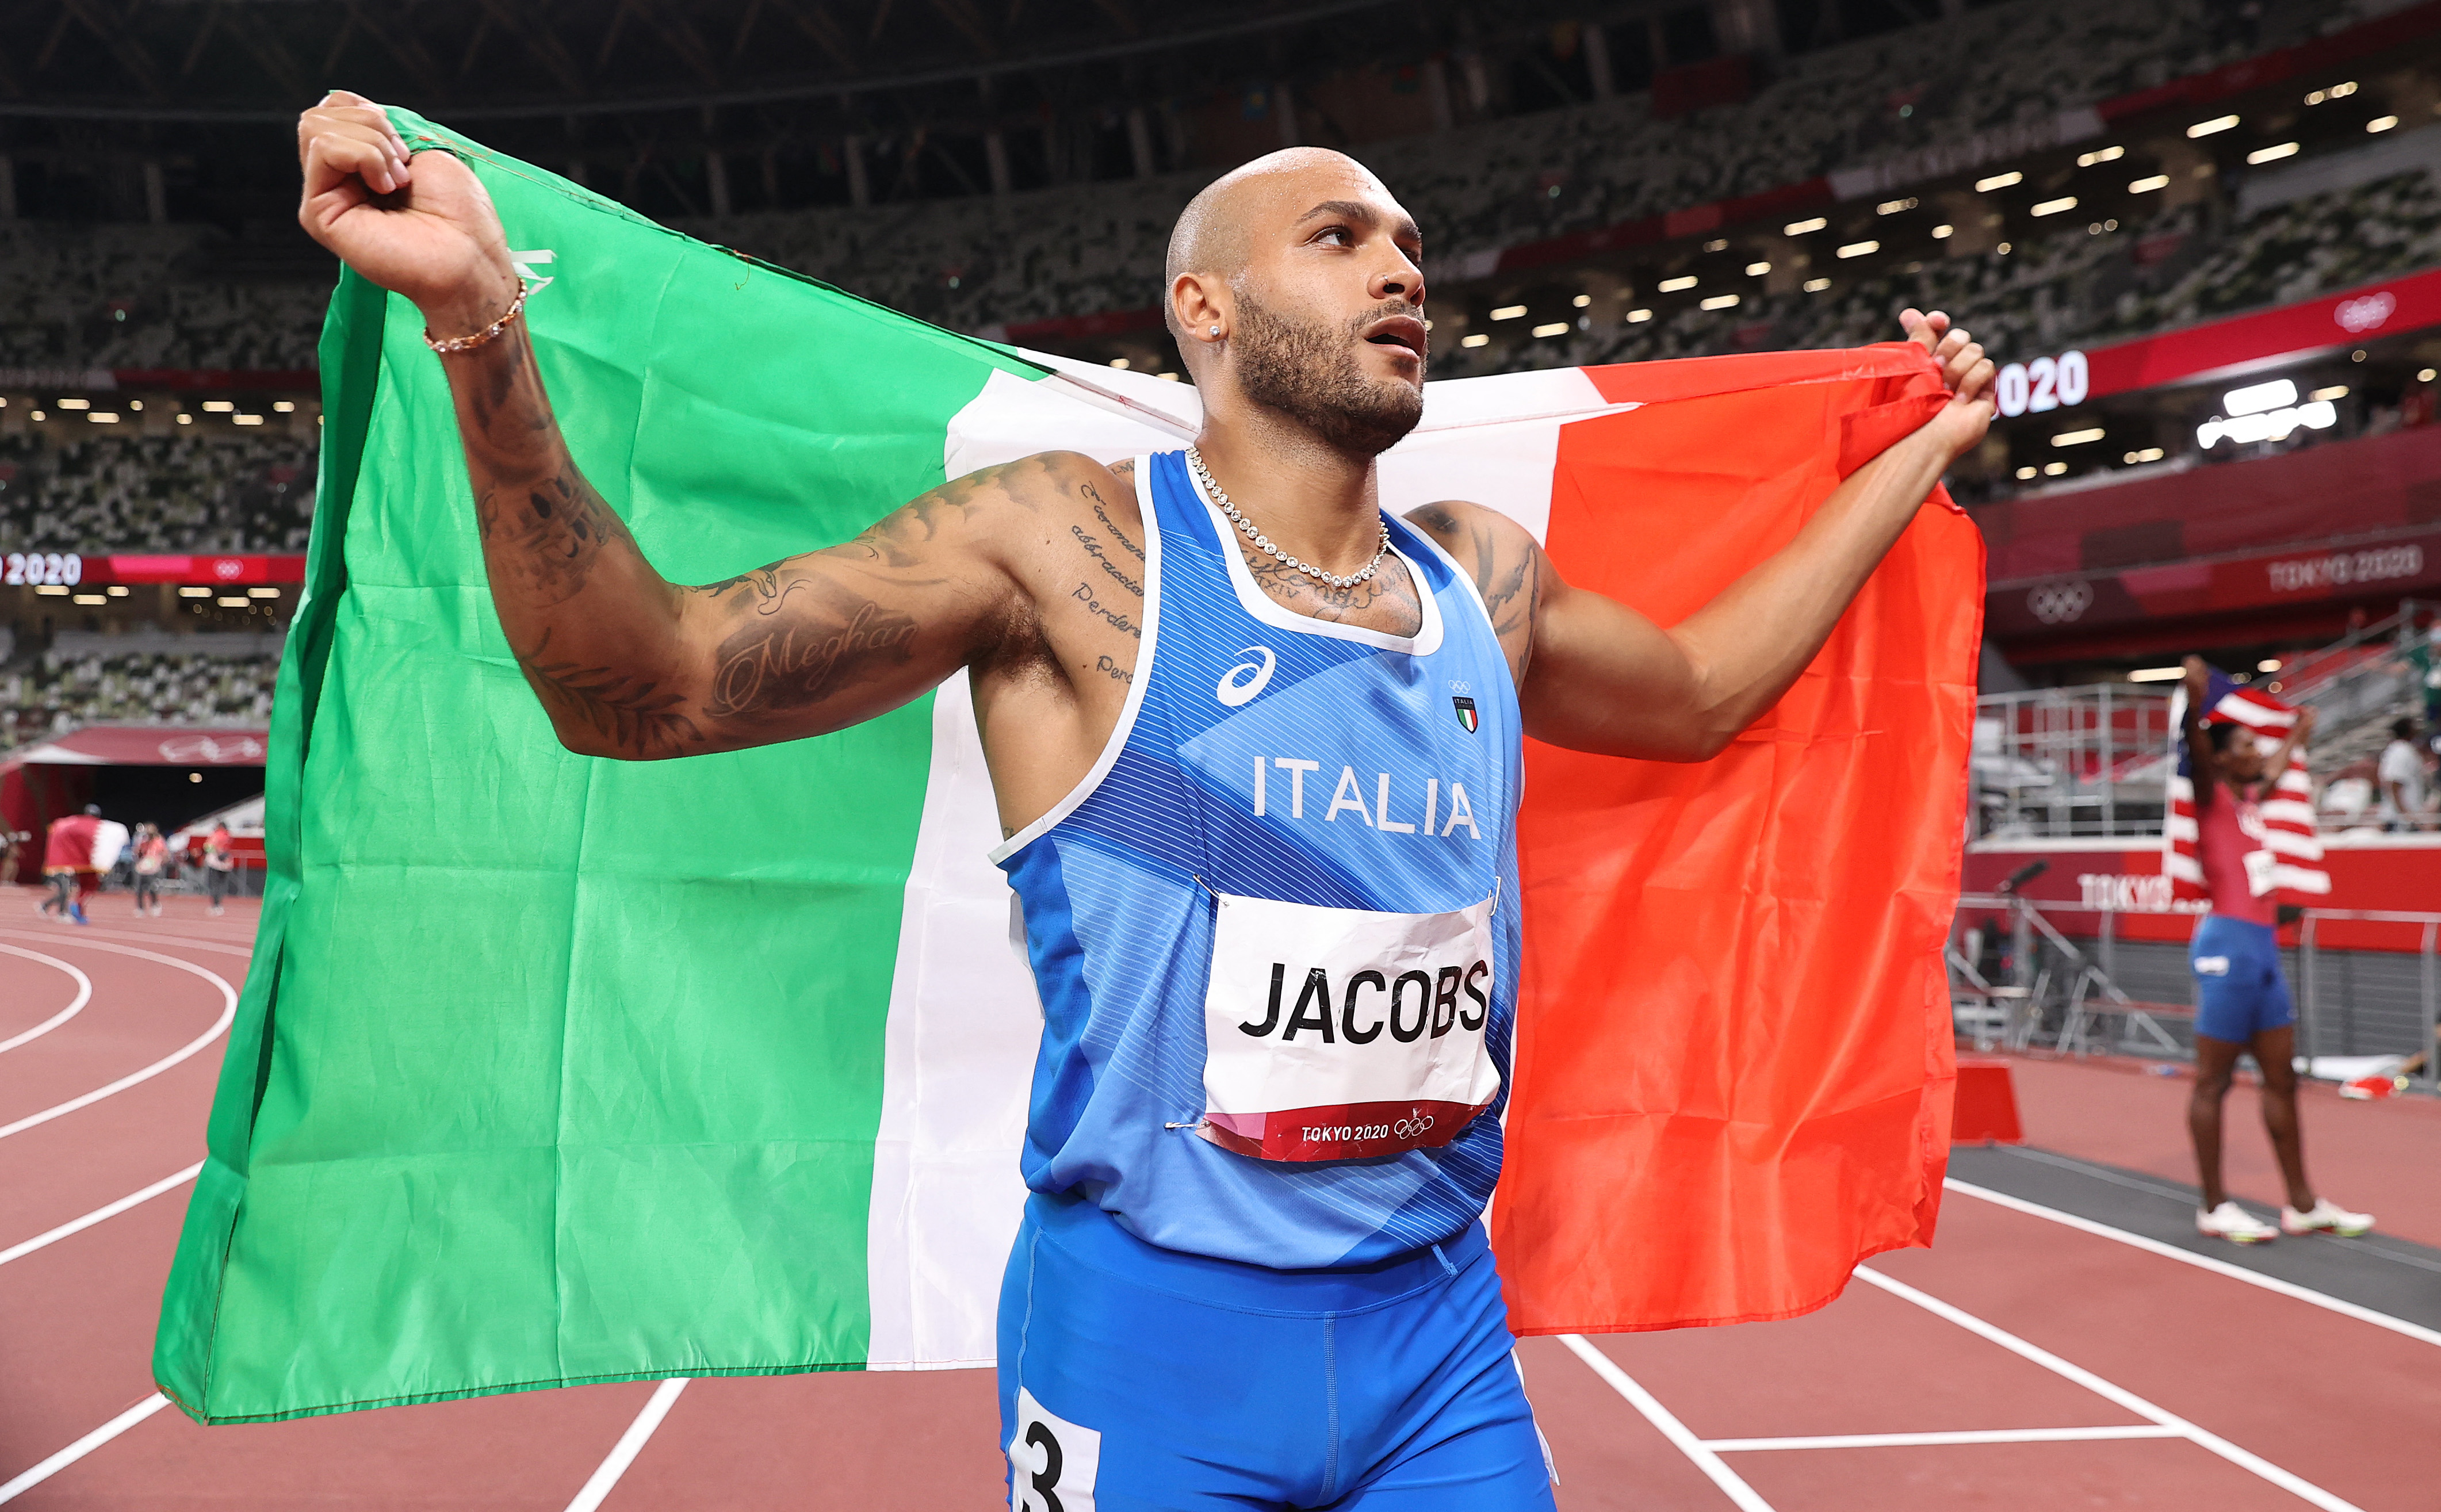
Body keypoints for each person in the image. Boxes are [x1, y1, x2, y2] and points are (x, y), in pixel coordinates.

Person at [297, 90, 1998, 1510]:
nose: (1399, 265)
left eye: (1407, 245)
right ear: (1203, 309)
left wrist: (1914, 458)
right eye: (1338, 238)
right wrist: (475, 321)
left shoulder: (1483, 582)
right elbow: (644, 687)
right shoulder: (1065, 549)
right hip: (1147, 1340)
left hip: (1435, 1333)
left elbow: (1700, 695)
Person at [2179, 657, 2372, 1245]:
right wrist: (2194, 707)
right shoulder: (2209, 794)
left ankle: (2301, 1203)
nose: (2254, 751)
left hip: (2261, 952)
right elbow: (2195, 744)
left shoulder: (2247, 803)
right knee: (2212, 1083)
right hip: (2227, 948)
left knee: (2280, 1080)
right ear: (2217, 757)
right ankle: (2213, 1206)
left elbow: (2274, 767)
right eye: (2242, 742)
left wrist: (2295, 736)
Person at [38, 805, 104, 927]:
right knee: (66, 888)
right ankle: (62, 913)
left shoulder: (68, 824)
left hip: (60, 863)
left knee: (66, 889)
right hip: (60, 864)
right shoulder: (75, 827)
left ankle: (45, 906)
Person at [2377, 715, 2424, 832]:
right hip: (2400, 820)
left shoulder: (2399, 750)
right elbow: (2395, 783)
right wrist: (2406, 814)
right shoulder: (2400, 751)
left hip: (2403, 816)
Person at [132, 822, 170, 917]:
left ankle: (155, 905)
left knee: (152, 888)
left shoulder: (159, 841)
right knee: (139, 889)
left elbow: (165, 853)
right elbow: (138, 853)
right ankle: (140, 908)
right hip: (143, 867)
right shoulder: (144, 841)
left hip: (154, 868)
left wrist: (161, 863)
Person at [203, 821, 237, 917]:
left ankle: (215, 905)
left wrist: (215, 853)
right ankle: (219, 906)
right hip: (226, 862)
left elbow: (208, 847)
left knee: (214, 884)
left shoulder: (216, 835)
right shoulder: (228, 835)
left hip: (215, 862)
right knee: (221, 885)